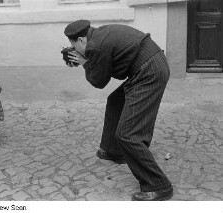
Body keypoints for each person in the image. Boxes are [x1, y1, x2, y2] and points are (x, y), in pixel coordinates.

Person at [63, 20, 173, 201]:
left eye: (73, 45)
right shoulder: (98, 34)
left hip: (149, 72)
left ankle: (158, 185)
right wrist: (88, 60)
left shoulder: (95, 47)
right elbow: (106, 64)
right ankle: (114, 151)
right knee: (116, 100)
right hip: (148, 66)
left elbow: (99, 81)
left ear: (81, 40)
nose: (74, 49)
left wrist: (84, 62)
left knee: (128, 134)